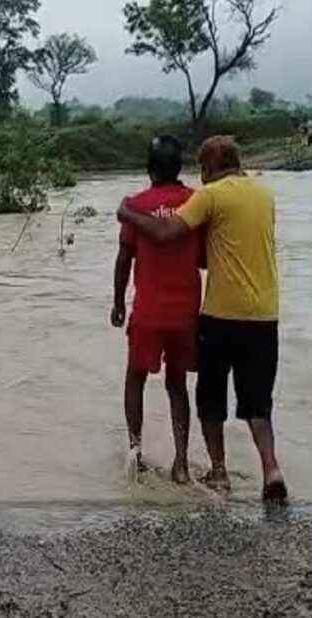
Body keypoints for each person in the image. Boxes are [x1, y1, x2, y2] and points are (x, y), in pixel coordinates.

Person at [117, 135, 287, 504]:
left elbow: (147, 243)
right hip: (242, 314)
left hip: (197, 314)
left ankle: (190, 465)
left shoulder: (201, 197)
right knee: (247, 401)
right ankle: (257, 467)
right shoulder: (257, 196)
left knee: (183, 390)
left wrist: (128, 213)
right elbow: (205, 255)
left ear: (209, 168)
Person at [112, 136, 201, 485]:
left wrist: (118, 302)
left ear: (149, 169)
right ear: (180, 168)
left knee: (135, 377)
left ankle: (135, 452)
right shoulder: (196, 202)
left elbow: (124, 259)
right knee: (177, 385)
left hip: (148, 312)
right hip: (186, 312)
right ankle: (181, 462)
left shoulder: (136, 205)